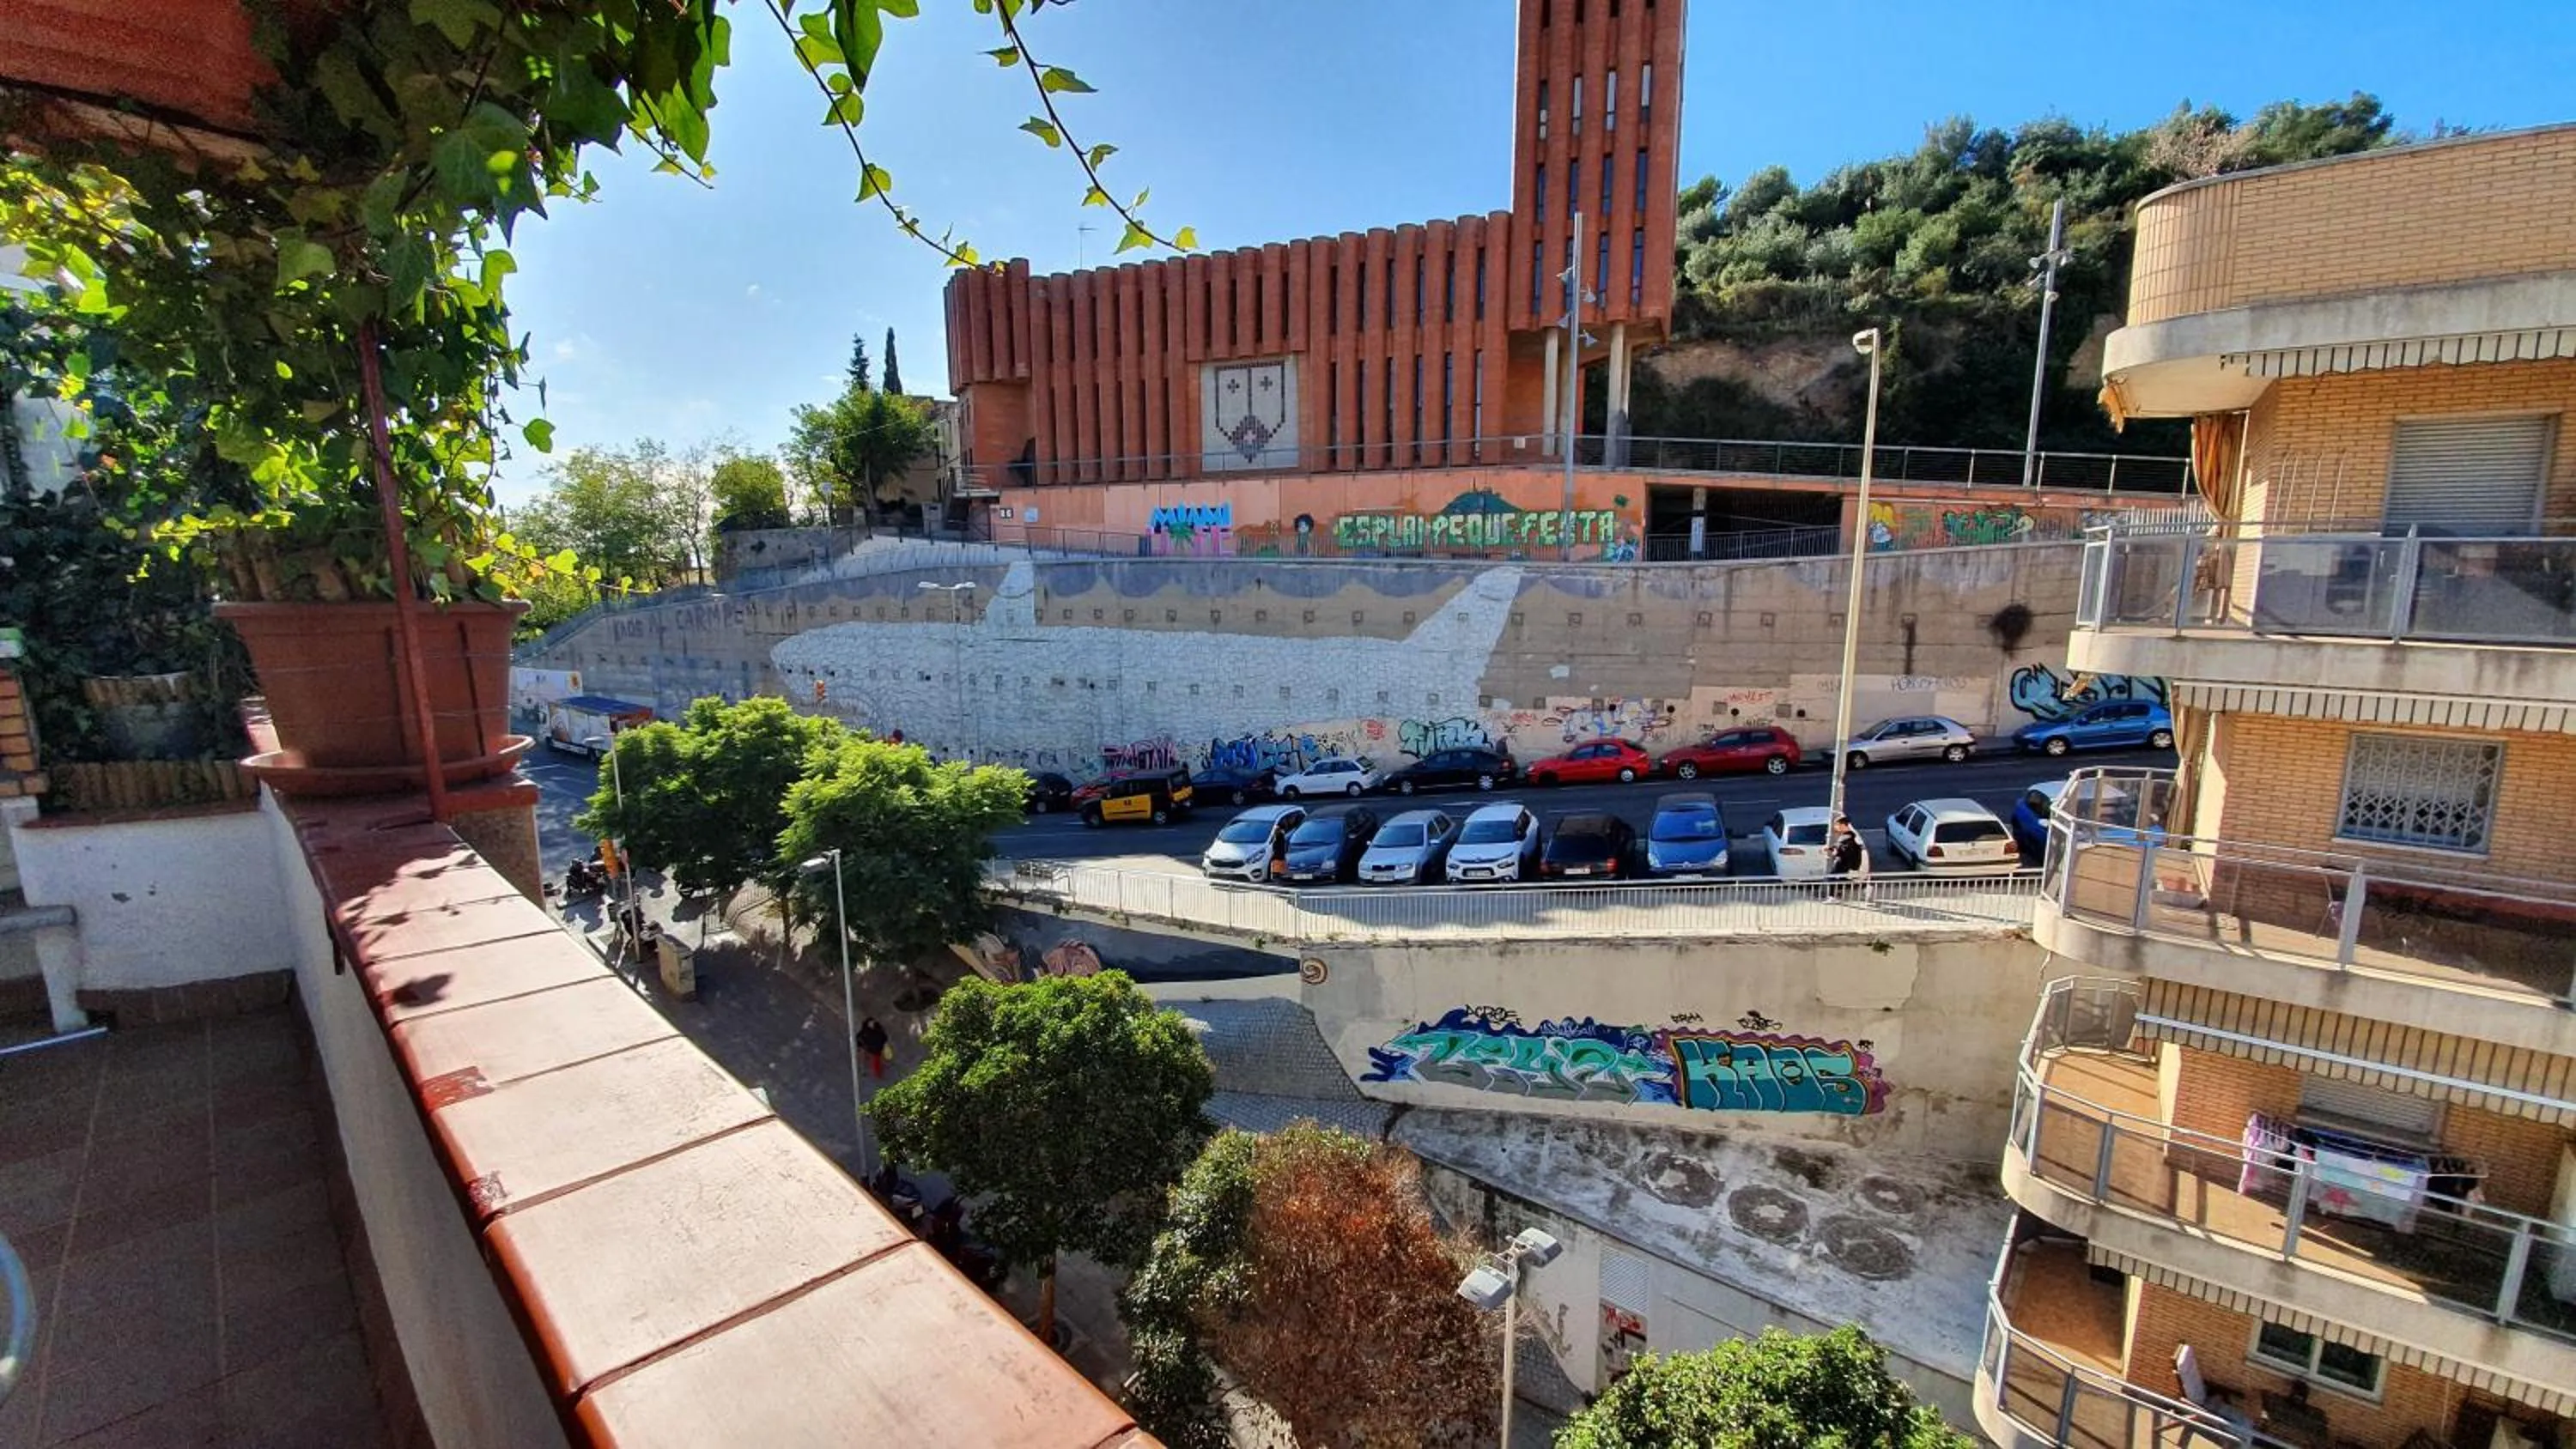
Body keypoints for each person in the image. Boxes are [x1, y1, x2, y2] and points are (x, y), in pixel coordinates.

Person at [1828, 815, 1871, 888]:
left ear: (1843, 825)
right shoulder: (1846, 836)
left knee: (1831, 878)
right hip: (1845, 863)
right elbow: (1838, 846)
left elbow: (1844, 850)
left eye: (1837, 825)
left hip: (1844, 862)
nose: (1835, 827)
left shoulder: (1848, 837)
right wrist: (1831, 849)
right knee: (1841, 880)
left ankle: (1832, 897)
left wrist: (1835, 852)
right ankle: (1864, 887)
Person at [856, 1015, 890, 1079]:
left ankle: (878, 1074)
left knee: (876, 1061)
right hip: (869, 1047)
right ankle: (863, 1069)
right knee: (863, 1055)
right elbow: (859, 1037)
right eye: (871, 1023)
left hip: (876, 1049)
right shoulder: (865, 1031)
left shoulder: (878, 1029)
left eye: (872, 1023)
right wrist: (859, 1046)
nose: (872, 1024)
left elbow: (884, 1036)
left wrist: (884, 1043)